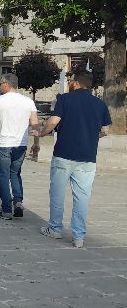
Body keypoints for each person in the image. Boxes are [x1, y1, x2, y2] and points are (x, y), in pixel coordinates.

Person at [38, 70, 111, 248]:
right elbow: (105, 130)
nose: (70, 82)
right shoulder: (100, 104)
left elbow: (53, 121)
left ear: (76, 83)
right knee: (82, 196)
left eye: (71, 80)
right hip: (87, 157)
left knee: (57, 192)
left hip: (64, 153)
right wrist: (90, 136)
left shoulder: (65, 99)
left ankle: (55, 228)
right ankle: (78, 236)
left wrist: (41, 133)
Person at [0, 73, 40, 220]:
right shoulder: (28, 101)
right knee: (15, 173)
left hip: (4, 143)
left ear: (6, 84)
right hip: (20, 144)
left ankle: (6, 209)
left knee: (3, 176)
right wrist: (36, 143)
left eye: (0, 83)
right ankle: (18, 201)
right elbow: (35, 123)